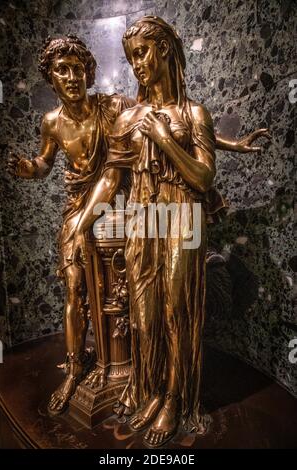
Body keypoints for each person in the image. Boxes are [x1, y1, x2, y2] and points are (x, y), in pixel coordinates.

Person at [71, 16, 270, 447]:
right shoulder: (130, 116)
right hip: (142, 219)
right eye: (130, 57)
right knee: (143, 316)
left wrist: (164, 139)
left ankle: (176, 400)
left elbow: (202, 178)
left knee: (177, 312)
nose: (136, 64)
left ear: (163, 49)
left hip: (184, 219)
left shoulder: (193, 113)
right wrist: (81, 224)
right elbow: (110, 177)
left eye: (141, 52)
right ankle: (152, 389)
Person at [7, 34, 136, 415]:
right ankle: (76, 365)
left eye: (78, 68)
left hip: (116, 204)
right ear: (51, 79)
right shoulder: (52, 123)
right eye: (62, 70)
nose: (72, 76)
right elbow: (46, 163)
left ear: (89, 73)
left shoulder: (109, 108)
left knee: (118, 285)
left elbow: (143, 125)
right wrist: (30, 168)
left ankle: (121, 363)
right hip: (77, 205)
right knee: (75, 286)